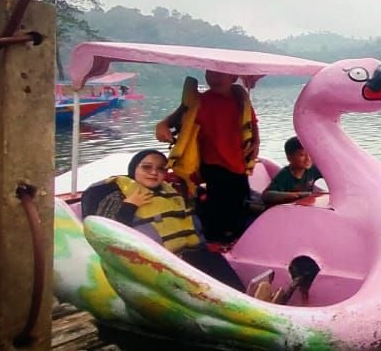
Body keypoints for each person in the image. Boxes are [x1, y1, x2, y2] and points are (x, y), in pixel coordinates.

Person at [80, 149, 245, 291]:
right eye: (146, 167)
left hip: (183, 258)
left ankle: (242, 296)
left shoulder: (173, 194)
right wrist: (129, 206)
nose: (154, 172)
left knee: (210, 258)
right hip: (148, 264)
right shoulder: (117, 195)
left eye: (161, 169)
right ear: (134, 168)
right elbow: (105, 236)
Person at [155, 70, 260, 243]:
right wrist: (162, 126)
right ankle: (215, 243)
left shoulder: (241, 99)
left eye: (218, 75)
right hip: (213, 163)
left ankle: (238, 241)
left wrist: (256, 142)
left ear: (233, 77)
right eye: (209, 74)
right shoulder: (199, 101)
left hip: (239, 163)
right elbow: (172, 119)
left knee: (241, 204)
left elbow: (252, 124)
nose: (213, 79)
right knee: (219, 210)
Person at [262, 136, 326, 206]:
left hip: (305, 206)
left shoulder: (312, 169)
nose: (308, 158)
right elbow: (266, 195)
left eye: (309, 153)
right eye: (302, 155)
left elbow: (331, 174)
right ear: (289, 158)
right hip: (288, 209)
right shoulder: (285, 175)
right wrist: (297, 195)